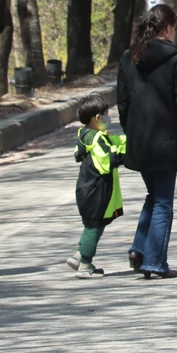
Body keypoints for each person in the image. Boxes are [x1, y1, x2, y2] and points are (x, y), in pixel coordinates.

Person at [117, 4, 177, 280]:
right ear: (168, 28)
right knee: (163, 202)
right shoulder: (176, 58)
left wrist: (130, 129)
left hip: (138, 137)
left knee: (155, 195)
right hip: (165, 138)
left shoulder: (129, 57)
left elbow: (122, 102)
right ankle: (155, 262)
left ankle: (140, 248)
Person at [67, 95, 126, 279]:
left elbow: (114, 142)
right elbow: (106, 162)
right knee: (94, 226)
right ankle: (85, 264)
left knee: (92, 224)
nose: (109, 118)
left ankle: (79, 256)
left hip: (87, 189)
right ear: (97, 118)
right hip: (97, 191)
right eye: (106, 114)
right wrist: (119, 155)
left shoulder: (86, 135)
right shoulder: (97, 139)